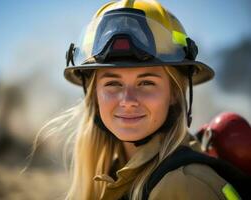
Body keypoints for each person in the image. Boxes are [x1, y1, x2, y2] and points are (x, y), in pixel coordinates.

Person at [36, 0, 244, 199]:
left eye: (146, 83)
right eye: (112, 83)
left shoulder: (182, 185)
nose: (127, 100)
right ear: (94, 95)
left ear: (174, 93)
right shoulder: (116, 171)